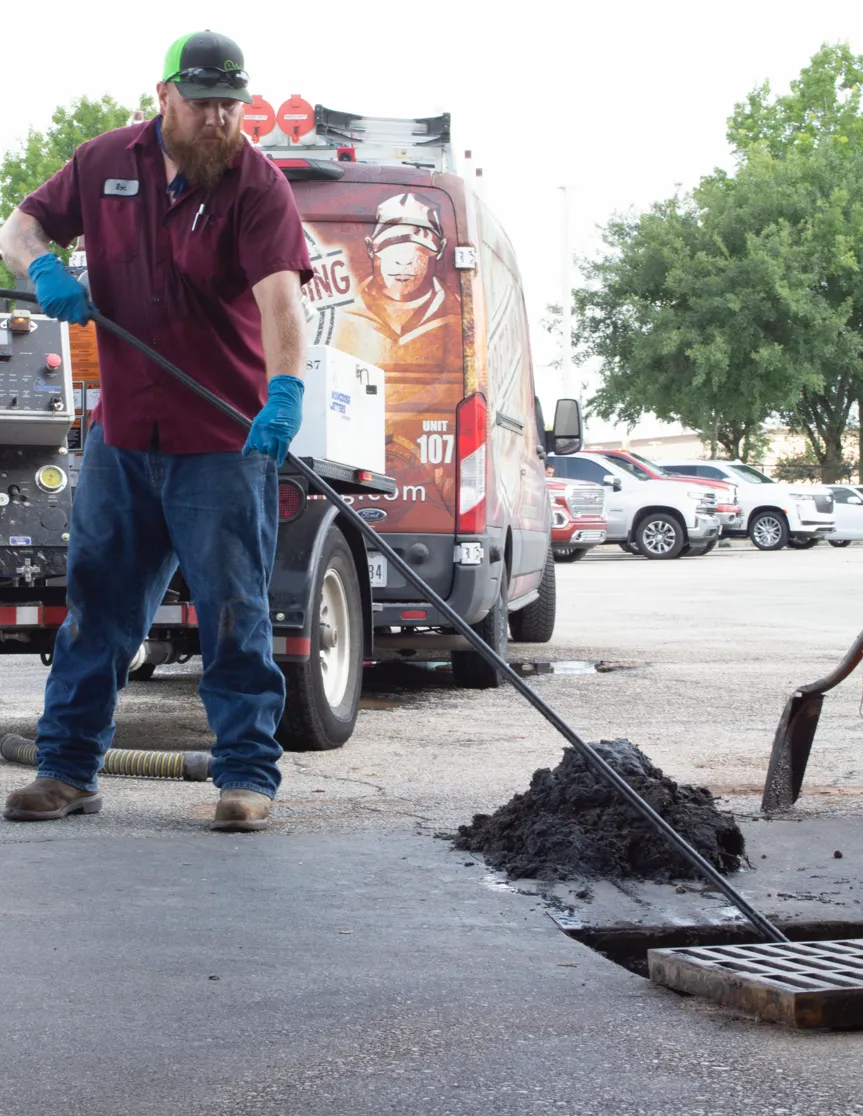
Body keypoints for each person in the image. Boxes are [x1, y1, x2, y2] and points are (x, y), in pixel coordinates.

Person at [0, 30, 312, 832]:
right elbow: (21, 224)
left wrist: (283, 392)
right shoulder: (104, 160)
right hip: (125, 434)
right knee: (96, 610)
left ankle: (247, 779)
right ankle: (67, 772)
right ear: (164, 96)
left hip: (223, 438)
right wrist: (42, 267)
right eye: (203, 102)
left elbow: (282, 299)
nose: (218, 119)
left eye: (230, 105)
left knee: (233, 611)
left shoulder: (256, 183)